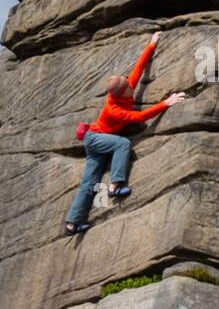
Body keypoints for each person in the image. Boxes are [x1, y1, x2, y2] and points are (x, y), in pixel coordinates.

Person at [63, 31, 187, 235]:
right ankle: (115, 185)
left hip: (98, 140)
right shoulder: (114, 108)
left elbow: (139, 67)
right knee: (122, 144)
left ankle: (72, 223)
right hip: (95, 139)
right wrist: (166, 102)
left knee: (90, 182)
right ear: (122, 93)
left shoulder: (125, 87)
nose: (132, 85)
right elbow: (139, 118)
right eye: (128, 86)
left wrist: (152, 44)